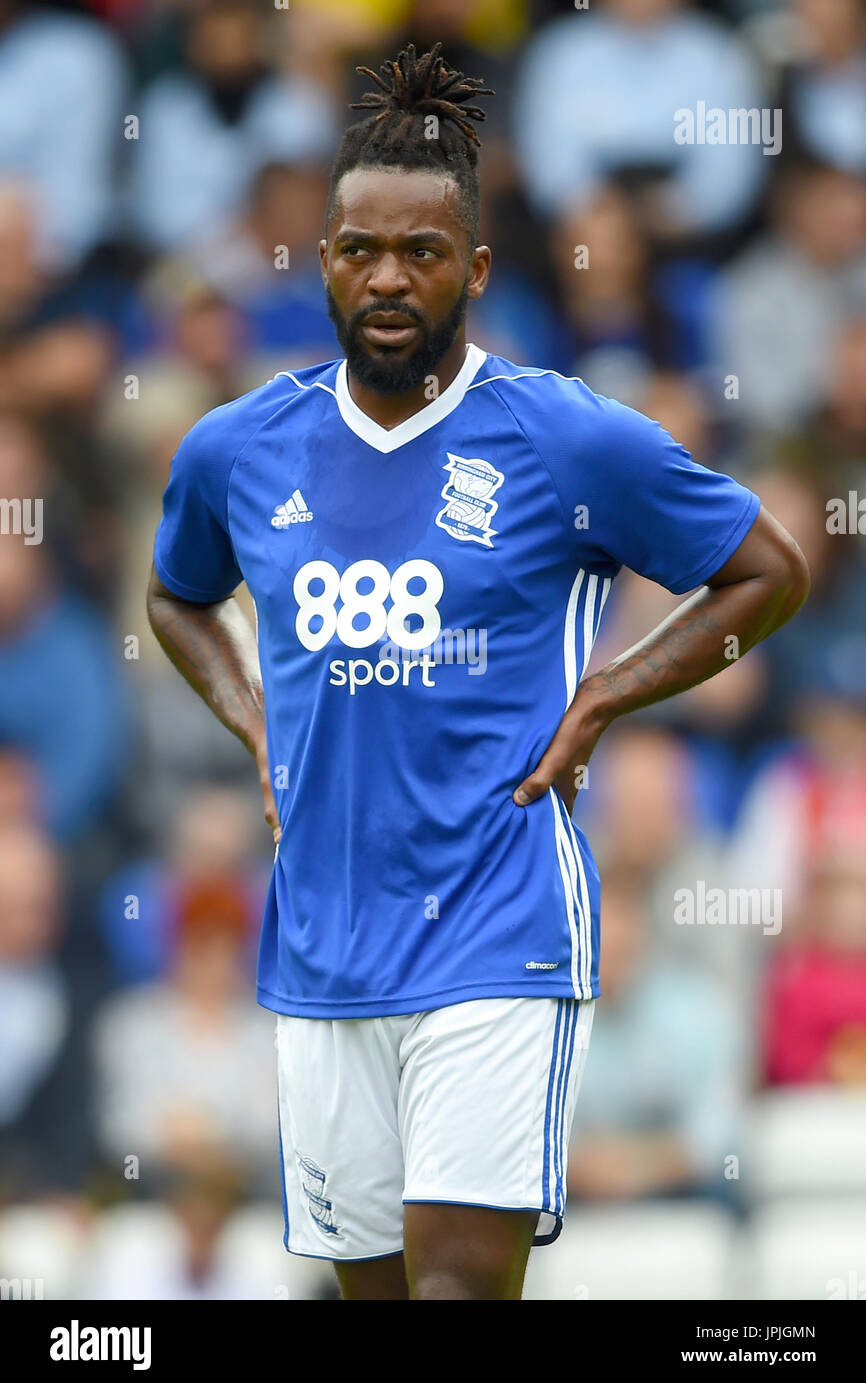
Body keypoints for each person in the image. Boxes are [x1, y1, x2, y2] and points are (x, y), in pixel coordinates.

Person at [147, 43, 810, 1301]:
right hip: (324, 941)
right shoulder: (238, 447)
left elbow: (768, 573)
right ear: (324, 259)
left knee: (453, 1293)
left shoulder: (559, 433)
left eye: (421, 251)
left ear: (477, 269)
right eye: (359, 250)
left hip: (496, 926)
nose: (388, 277)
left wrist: (610, 691)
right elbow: (174, 598)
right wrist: (253, 724)